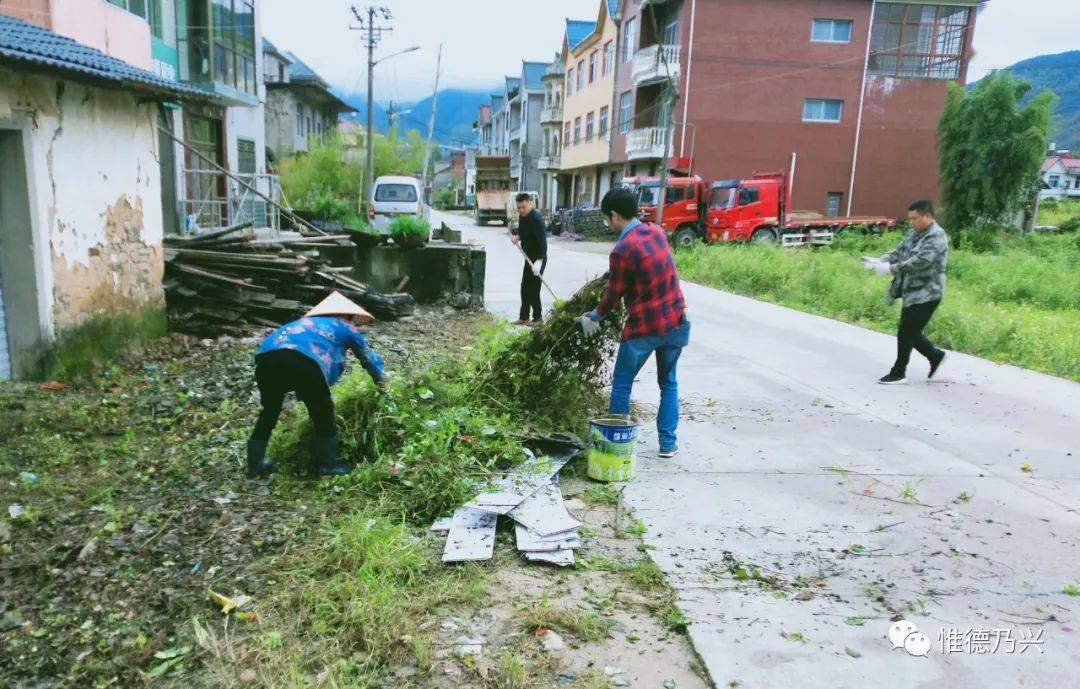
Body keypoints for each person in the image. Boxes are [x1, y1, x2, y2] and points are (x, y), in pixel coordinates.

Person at [580, 187, 690, 458]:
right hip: (676, 321)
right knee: (669, 384)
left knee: (622, 384)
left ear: (615, 216)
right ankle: (667, 445)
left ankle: (617, 447)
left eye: (607, 219)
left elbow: (613, 294)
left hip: (645, 328)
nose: (608, 224)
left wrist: (593, 316)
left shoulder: (622, 249)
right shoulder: (656, 231)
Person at [246, 291, 386, 478]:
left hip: (265, 360)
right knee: (323, 410)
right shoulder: (346, 326)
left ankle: (254, 466)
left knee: (270, 411)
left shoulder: (302, 324)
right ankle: (328, 465)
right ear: (347, 315)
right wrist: (381, 381)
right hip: (302, 361)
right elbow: (367, 357)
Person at [864, 200, 948, 385]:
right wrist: (881, 260)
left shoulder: (936, 236)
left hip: (928, 292)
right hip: (912, 291)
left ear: (928, 216)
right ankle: (936, 356)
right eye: (910, 218)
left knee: (906, 331)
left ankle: (898, 372)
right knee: (911, 331)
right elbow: (900, 251)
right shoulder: (914, 233)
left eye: (915, 218)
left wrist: (890, 269)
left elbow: (920, 261)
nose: (911, 222)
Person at [510, 193, 547, 325]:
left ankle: (538, 319)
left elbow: (543, 242)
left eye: (523, 207)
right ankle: (524, 317)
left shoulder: (537, 219)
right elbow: (523, 232)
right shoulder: (523, 216)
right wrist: (517, 237)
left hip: (538, 259)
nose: (521, 210)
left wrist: (540, 260)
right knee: (525, 287)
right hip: (528, 257)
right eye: (518, 207)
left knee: (534, 289)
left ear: (530, 203)